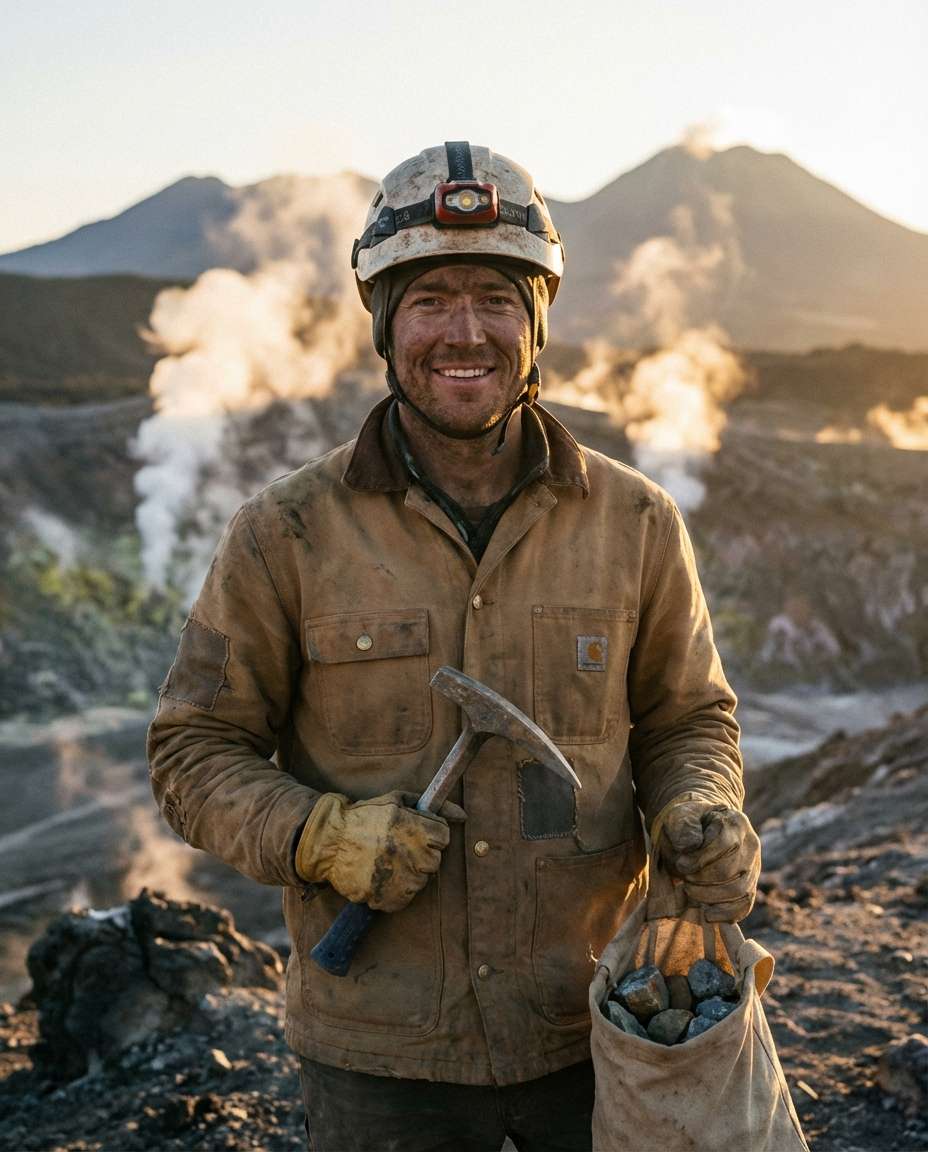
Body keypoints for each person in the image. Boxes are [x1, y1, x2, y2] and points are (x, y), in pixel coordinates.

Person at [148, 142, 761, 1152]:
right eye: (429, 299)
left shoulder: (636, 522)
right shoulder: (285, 533)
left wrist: (700, 805)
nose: (464, 333)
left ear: (536, 323)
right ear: (385, 325)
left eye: (497, 299)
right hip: (379, 1064)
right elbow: (192, 751)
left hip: (591, 1027)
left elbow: (688, 718)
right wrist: (319, 836)